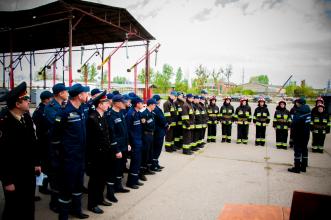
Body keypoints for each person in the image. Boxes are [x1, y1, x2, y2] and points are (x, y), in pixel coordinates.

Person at [0, 82, 41, 220]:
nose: (28, 101)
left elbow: (33, 143)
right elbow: (2, 155)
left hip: (28, 171)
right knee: (13, 208)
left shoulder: (26, 117)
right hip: (14, 175)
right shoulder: (4, 123)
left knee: (28, 204)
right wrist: (7, 181)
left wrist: (36, 163)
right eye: (25, 99)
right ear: (17, 104)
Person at [51, 83, 90, 220]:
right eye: (86, 93)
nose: (88, 96)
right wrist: (62, 156)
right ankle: (63, 216)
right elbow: (55, 137)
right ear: (80, 96)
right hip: (69, 159)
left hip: (80, 157)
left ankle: (77, 210)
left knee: (78, 185)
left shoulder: (81, 110)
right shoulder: (63, 113)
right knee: (66, 188)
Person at [86, 91, 113, 214]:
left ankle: (100, 198)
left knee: (102, 178)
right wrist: (90, 159)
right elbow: (91, 140)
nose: (108, 104)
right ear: (100, 104)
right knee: (94, 180)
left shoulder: (103, 116)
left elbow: (106, 136)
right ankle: (92, 204)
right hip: (96, 155)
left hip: (104, 154)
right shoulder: (92, 118)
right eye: (106, 102)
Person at [44, 83, 69, 213]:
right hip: (54, 146)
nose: (67, 93)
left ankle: (61, 199)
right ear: (60, 93)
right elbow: (57, 123)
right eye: (66, 91)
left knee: (61, 175)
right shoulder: (50, 107)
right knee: (55, 175)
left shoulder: (62, 106)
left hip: (63, 144)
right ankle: (54, 203)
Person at [106, 94, 131, 197]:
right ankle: (110, 193)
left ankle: (118, 186)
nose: (124, 103)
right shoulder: (110, 115)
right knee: (113, 170)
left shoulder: (120, 113)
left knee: (120, 168)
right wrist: (116, 150)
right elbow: (112, 135)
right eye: (122, 102)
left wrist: (128, 143)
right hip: (117, 148)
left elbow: (125, 131)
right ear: (116, 103)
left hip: (124, 146)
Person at [32, 90, 54, 195]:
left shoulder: (46, 108)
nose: (52, 99)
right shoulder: (40, 110)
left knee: (47, 165)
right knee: (44, 166)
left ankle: (43, 186)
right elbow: (43, 123)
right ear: (46, 99)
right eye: (51, 98)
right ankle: (42, 187)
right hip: (43, 141)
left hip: (47, 140)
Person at [126, 96, 145, 189]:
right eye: (141, 103)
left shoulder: (137, 113)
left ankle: (135, 179)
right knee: (134, 162)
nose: (142, 104)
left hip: (139, 140)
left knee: (138, 161)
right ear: (137, 104)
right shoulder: (131, 114)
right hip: (134, 142)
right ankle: (131, 182)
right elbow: (128, 130)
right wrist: (129, 143)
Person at [288, 97, 311, 173]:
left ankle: (297, 168)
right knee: (304, 149)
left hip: (299, 133)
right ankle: (303, 167)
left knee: (297, 150)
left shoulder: (299, 112)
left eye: (296, 102)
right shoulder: (308, 110)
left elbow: (294, 122)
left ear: (299, 103)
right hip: (306, 133)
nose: (295, 104)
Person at [140, 98, 157, 180]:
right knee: (145, 154)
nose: (155, 106)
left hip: (151, 135)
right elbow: (143, 126)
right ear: (150, 105)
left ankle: (147, 169)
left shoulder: (152, 113)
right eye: (154, 104)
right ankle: (142, 172)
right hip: (146, 135)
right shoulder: (144, 114)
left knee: (150, 152)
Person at [151, 95, 168, 171]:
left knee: (156, 149)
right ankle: (154, 165)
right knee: (157, 149)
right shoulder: (156, 109)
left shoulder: (155, 109)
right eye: (159, 100)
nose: (160, 101)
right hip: (159, 131)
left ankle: (156, 163)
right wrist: (166, 125)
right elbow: (162, 119)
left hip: (157, 131)